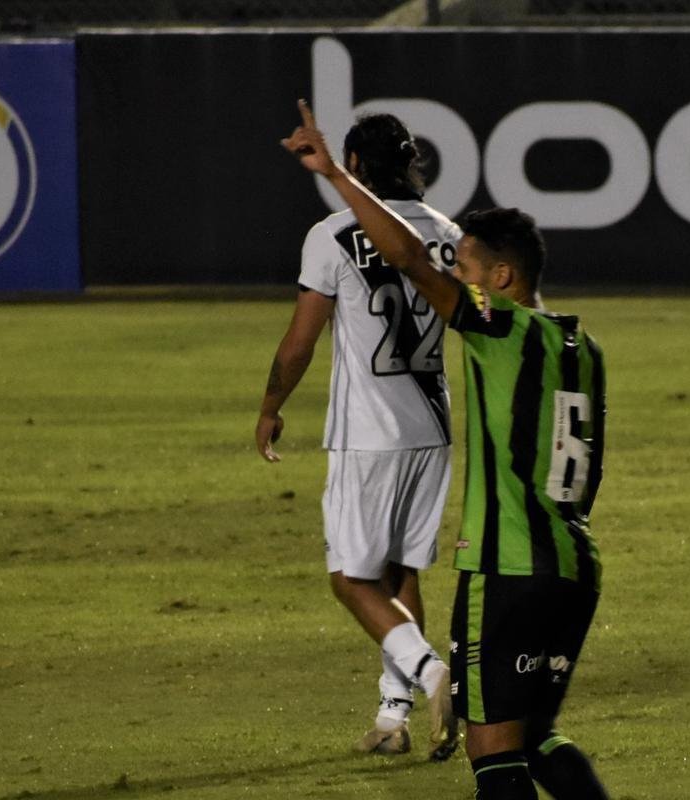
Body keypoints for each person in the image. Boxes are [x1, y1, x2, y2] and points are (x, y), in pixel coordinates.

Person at [282, 99, 610, 800]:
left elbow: (403, 255)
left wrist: (335, 174)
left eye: (463, 268)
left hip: (508, 568)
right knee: (541, 738)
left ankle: (418, 681)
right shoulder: (582, 347)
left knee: (494, 760)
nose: (451, 280)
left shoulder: (497, 330)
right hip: (575, 566)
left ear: (500, 279)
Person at [256, 111, 461, 761]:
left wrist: (270, 406)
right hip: (432, 428)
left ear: (352, 164)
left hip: (368, 433)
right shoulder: (452, 236)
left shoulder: (332, 235)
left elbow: (298, 344)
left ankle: (433, 675)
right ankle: (392, 715)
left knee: (352, 579)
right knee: (400, 576)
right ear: (411, 165)